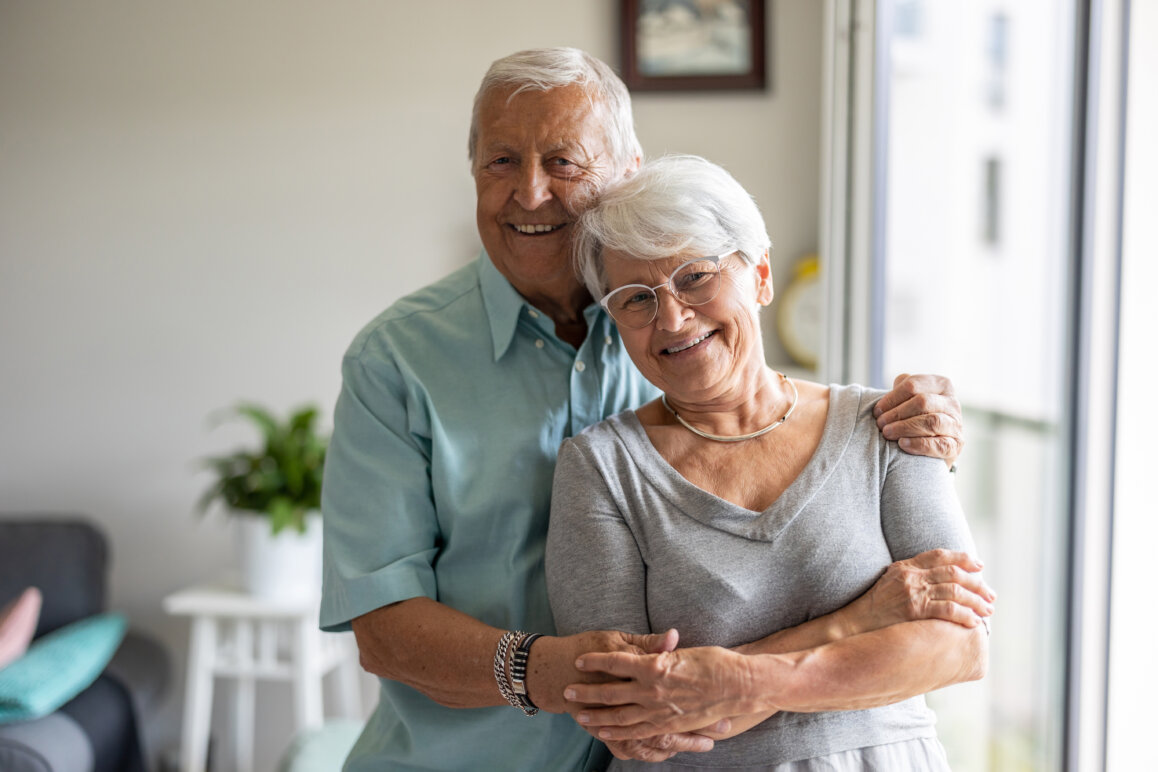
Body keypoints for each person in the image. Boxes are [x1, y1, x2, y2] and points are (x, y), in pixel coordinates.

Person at [319, 48, 982, 771]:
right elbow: (385, 630)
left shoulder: (691, 343)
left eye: (564, 162)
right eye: (500, 162)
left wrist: (924, 435)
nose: (530, 193)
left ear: (625, 173)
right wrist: (552, 670)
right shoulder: (396, 360)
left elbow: (958, 635)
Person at [545, 154, 991, 770]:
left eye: (696, 277)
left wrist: (749, 684)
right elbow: (632, 714)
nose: (671, 317)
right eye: (636, 299)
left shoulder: (888, 423)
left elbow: (961, 646)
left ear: (759, 276)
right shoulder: (601, 469)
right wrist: (863, 620)